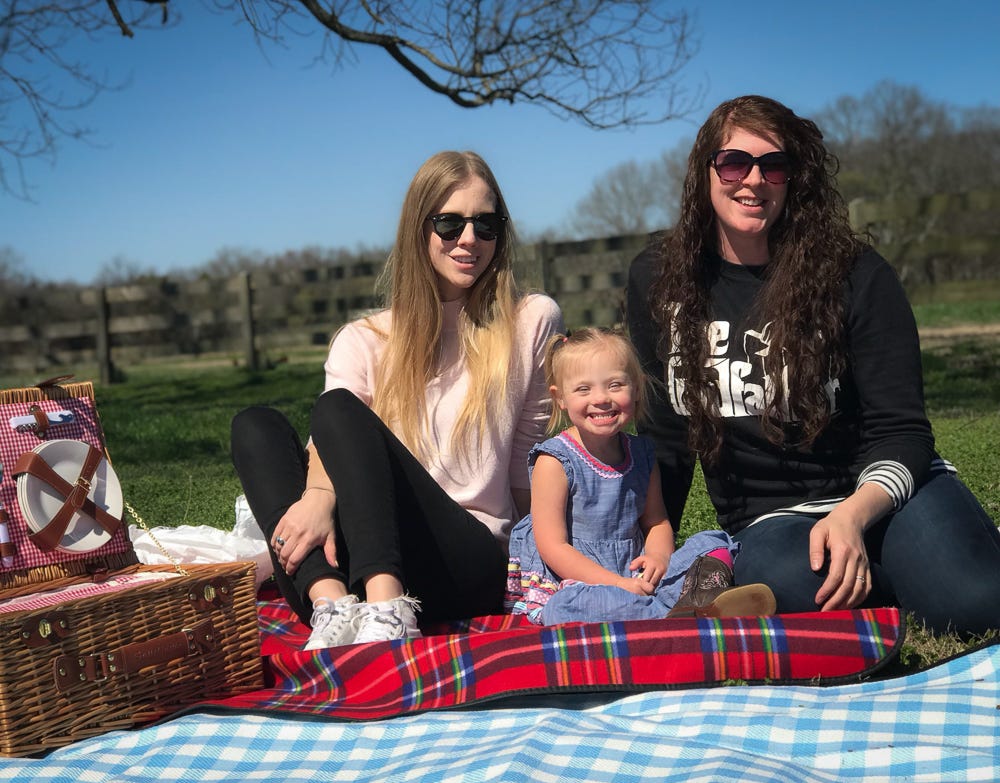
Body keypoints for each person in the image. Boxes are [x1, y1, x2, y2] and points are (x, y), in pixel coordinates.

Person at [627, 95, 1000, 636]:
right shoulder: (658, 279)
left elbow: (901, 429)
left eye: (773, 166)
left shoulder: (856, 275)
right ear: (704, 172)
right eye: (734, 163)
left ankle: (929, 570)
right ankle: (907, 580)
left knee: (972, 606)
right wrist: (652, 545)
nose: (754, 180)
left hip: (884, 494)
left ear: (793, 179)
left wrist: (852, 516)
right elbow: (665, 434)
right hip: (773, 522)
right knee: (779, 578)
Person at [231, 150, 564, 648]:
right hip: (365, 555)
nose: (469, 239)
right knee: (255, 426)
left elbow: (526, 463)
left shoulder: (530, 320)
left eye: (486, 224)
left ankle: (389, 612)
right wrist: (318, 499)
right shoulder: (362, 340)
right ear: (418, 229)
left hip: (465, 563)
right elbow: (334, 443)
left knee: (337, 410)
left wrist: (552, 559)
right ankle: (329, 605)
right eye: (449, 224)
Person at [504, 327, 775, 625]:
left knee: (713, 542)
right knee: (566, 606)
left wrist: (659, 558)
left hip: (637, 575)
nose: (601, 398)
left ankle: (684, 603)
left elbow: (656, 521)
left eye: (615, 385)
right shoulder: (555, 461)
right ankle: (680, 612)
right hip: (580, 581)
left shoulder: (642, 454)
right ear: (560, 398)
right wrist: (616, 584)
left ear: (636, 389)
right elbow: (553, 548)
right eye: (583, 389)